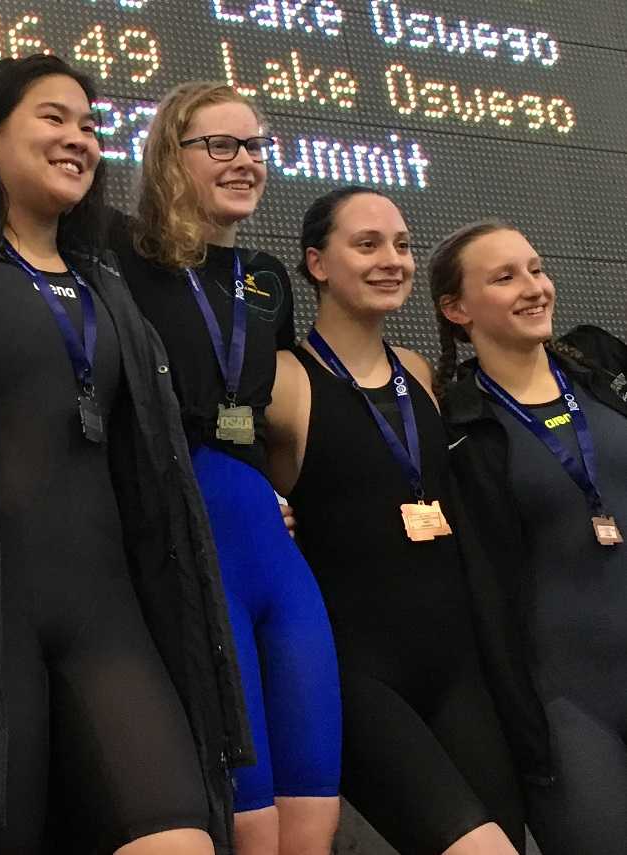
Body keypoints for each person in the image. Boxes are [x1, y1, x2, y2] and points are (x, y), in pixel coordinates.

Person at [0, 56, 252, 855]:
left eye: (90, 125)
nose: (78, 138)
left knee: (181, 839)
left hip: (111, 618)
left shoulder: (107, 284)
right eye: (53, 117)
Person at [108, 81, 342, 855]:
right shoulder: (116, 255)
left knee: (312, 820)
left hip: (271, 550)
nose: (247, 161)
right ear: (170, 155)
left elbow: (263, 404)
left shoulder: (268, 278)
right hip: (189, 545)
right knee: (250, 827)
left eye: (256, 147)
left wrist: (276, 486)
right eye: (222, 145)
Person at [266, 187, 525, 855]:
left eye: (403, 245)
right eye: (368, 244)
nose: (392, 260)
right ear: (318, 263)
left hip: (458, 671)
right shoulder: (286, 382)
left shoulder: (418, 373)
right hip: (359, 674)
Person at [432, 220, 627, 855]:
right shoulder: (456, 427)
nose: (533, 287)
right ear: (457, 309)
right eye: (505, 276)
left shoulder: (605, 378)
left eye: (537, 269)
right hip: (569, 708)